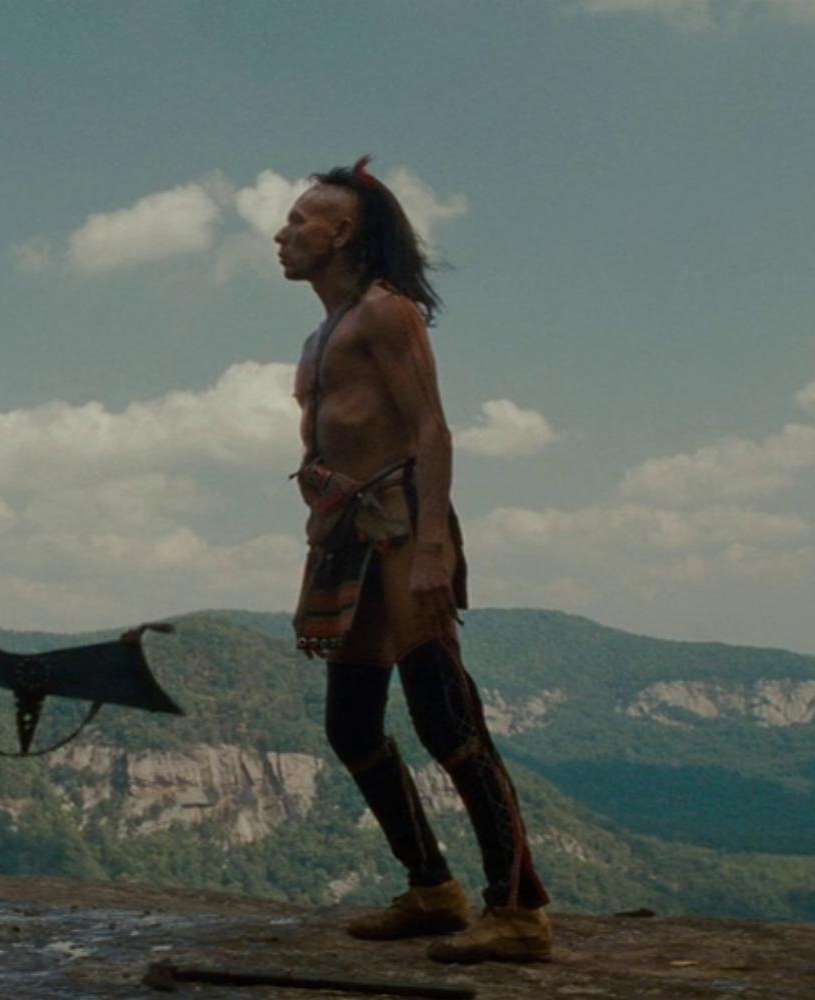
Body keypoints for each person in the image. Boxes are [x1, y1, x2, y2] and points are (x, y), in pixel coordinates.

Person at [274, 157, 552, 964]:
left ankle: (519, 911)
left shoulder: (385, 313)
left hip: (401, 529)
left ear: (342, 232)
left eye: (298, 220)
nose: (282, 234)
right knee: (352, 725)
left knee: (446, 718)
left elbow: (432, 430)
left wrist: (433, 546)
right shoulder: (323, 333)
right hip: (349, 536)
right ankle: (433, 889)